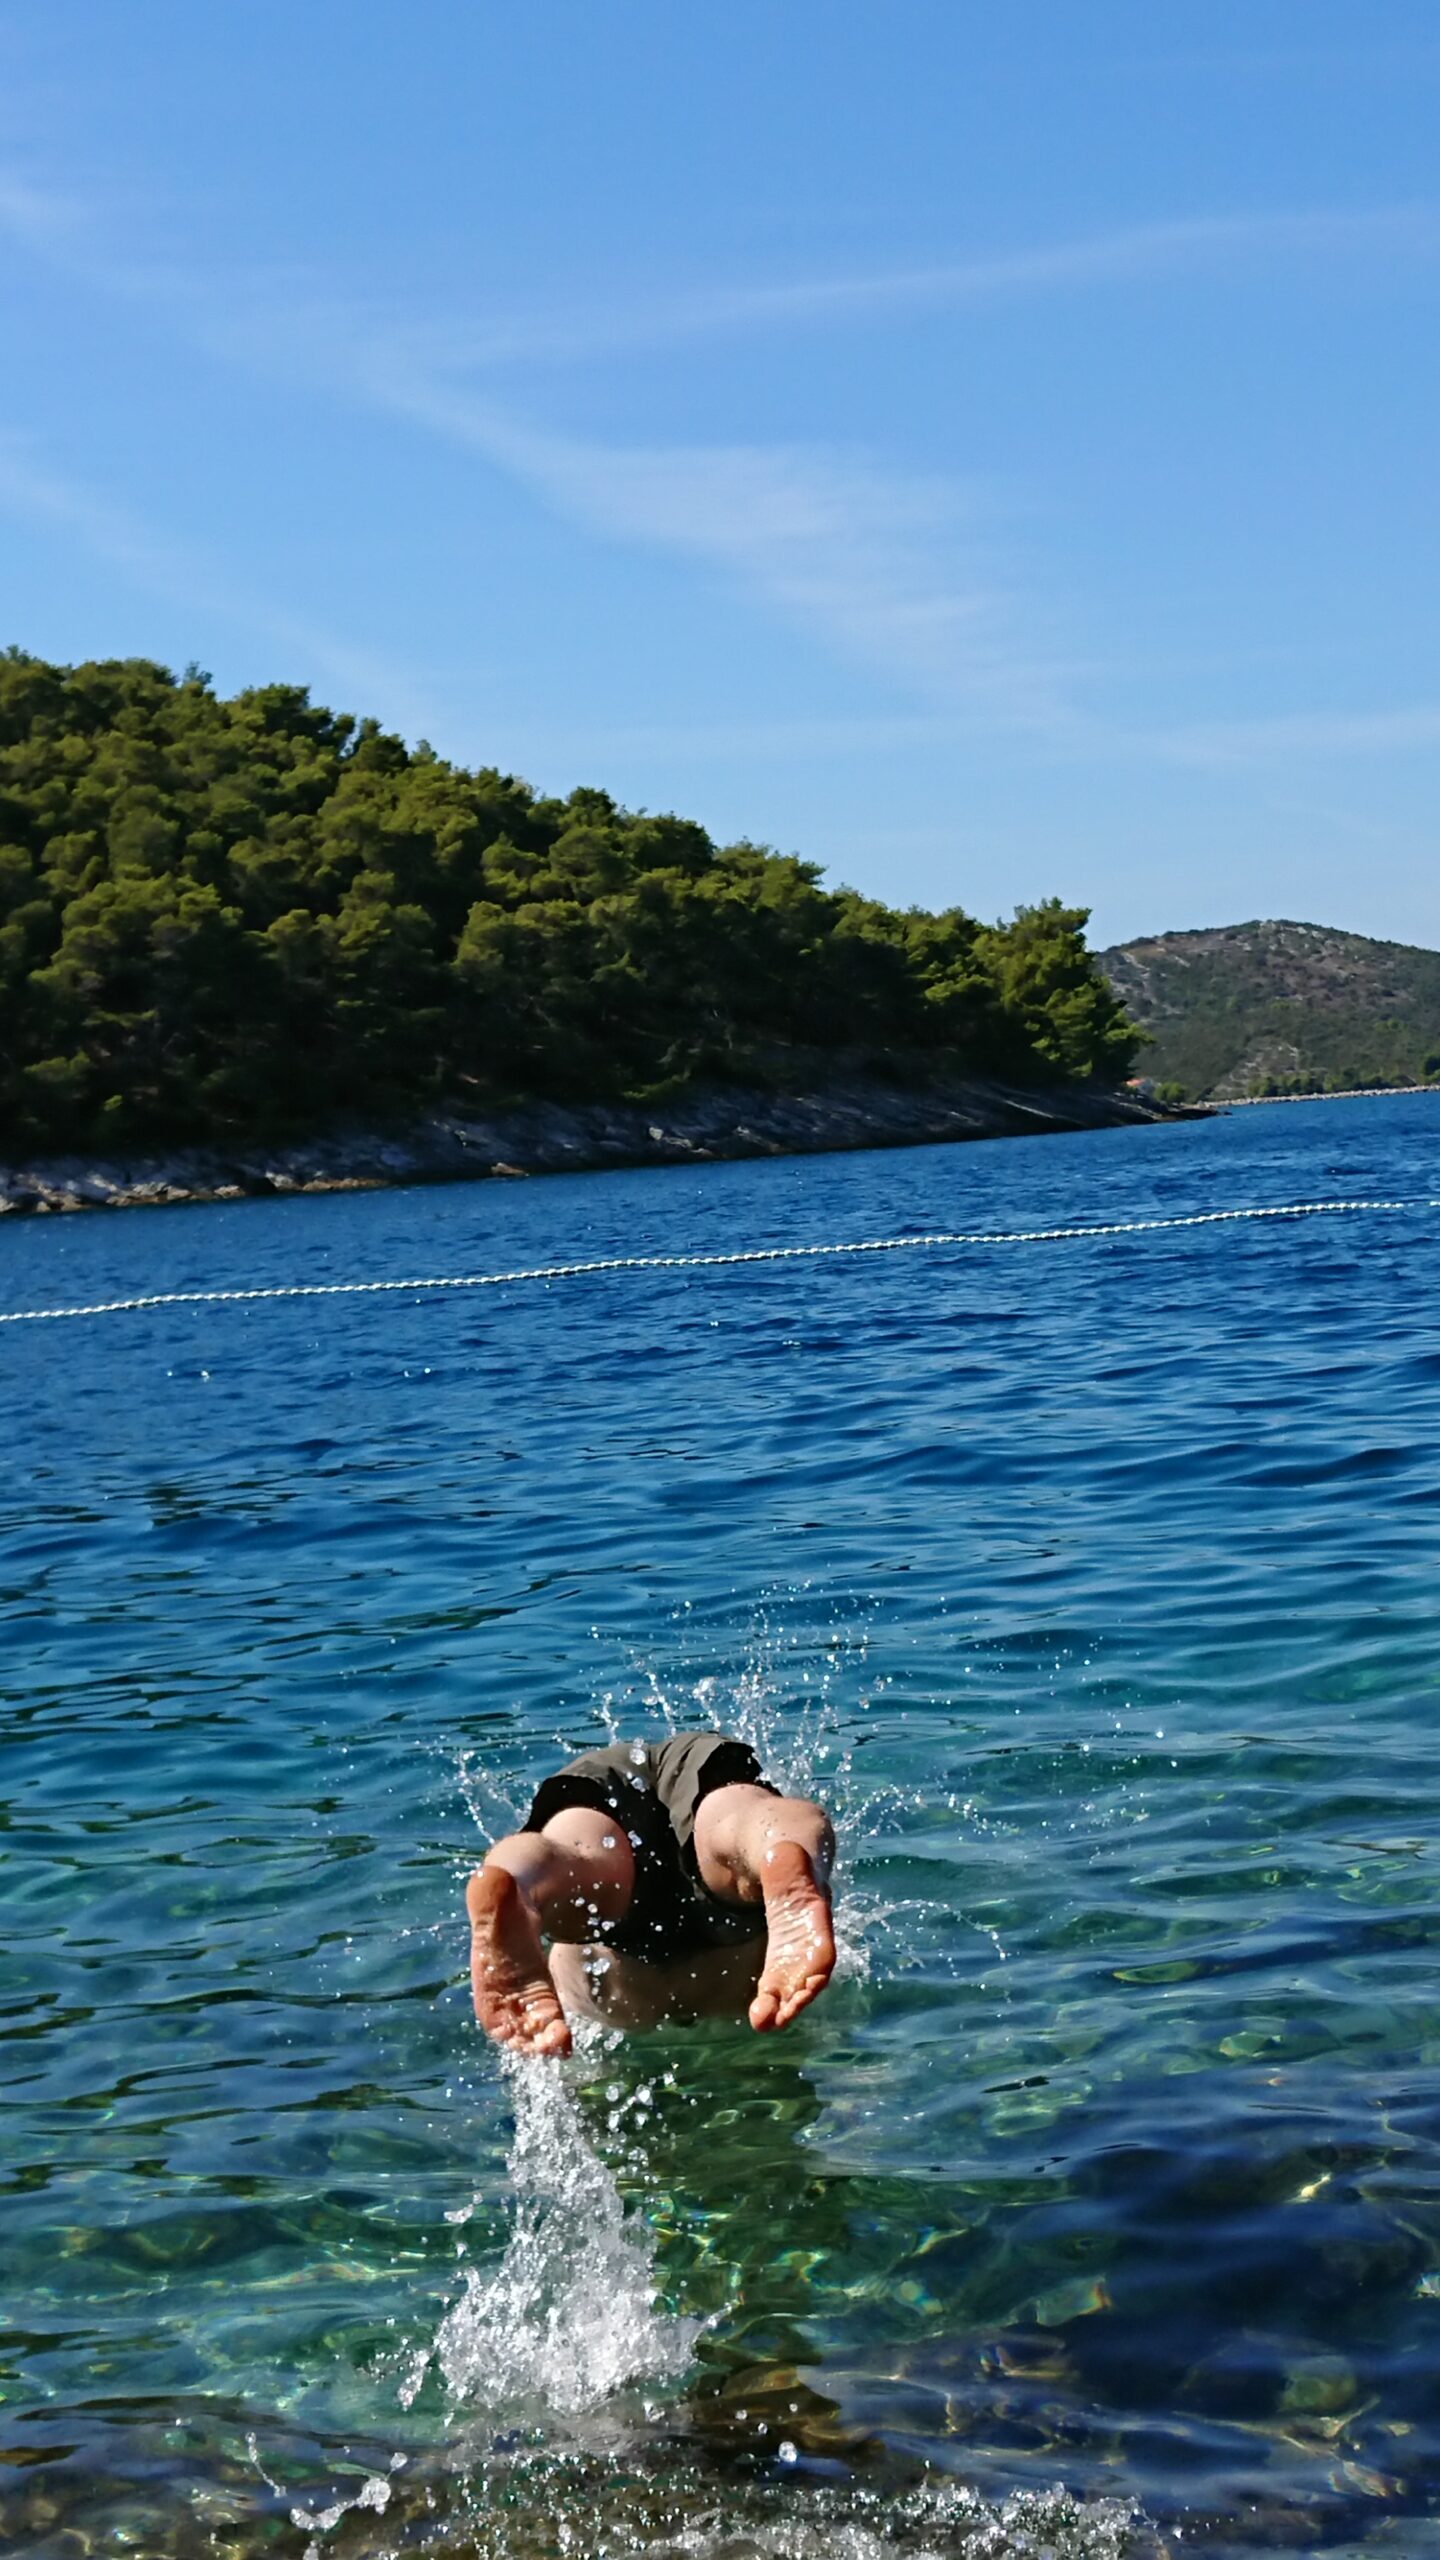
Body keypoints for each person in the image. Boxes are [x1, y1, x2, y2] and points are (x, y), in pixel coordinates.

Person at [467, 1730, 836, 2056]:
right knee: (738, 1824)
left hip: (618, 1958)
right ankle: (777, 1845)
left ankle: (520, 1881)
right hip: (730, 1911)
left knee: (576, 1857)